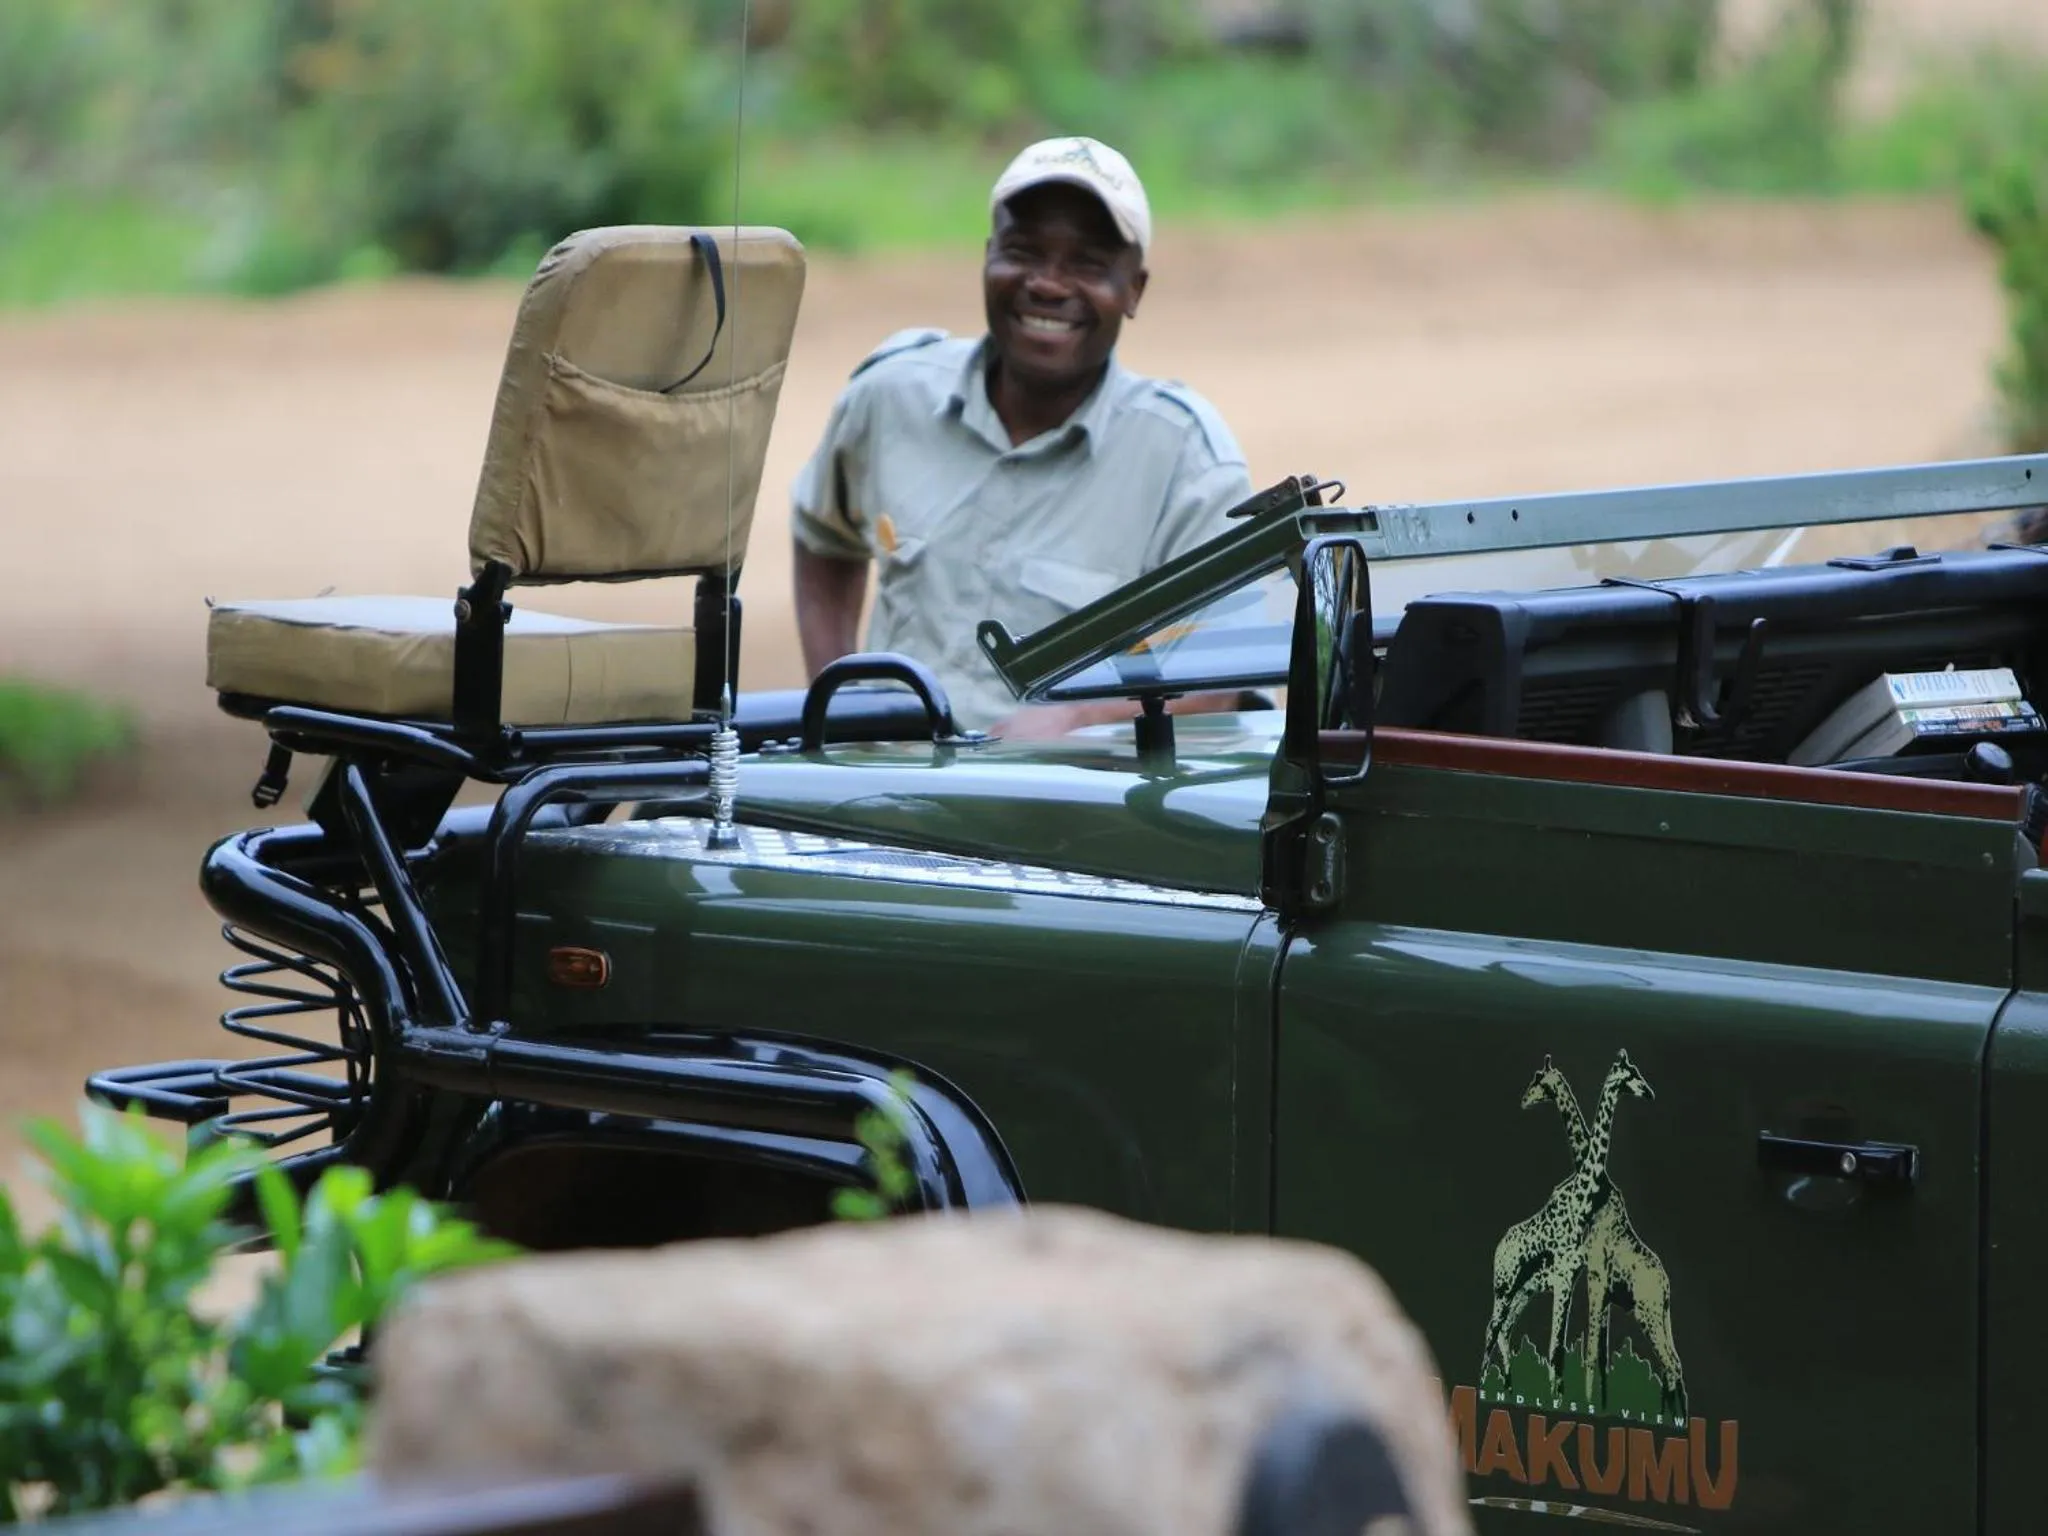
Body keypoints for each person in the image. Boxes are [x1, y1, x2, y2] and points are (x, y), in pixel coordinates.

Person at [788, 135, 1257, 738]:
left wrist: (1075, 726)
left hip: (1065, 818)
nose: (1048, 284)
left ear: (1134, 289)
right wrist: (840, 703)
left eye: (1087, 264)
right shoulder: (890, 397)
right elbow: (823, 536)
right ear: (987, 258)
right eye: (1023, 251)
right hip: (888, 801)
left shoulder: (1186, 461)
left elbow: (1218, 685)